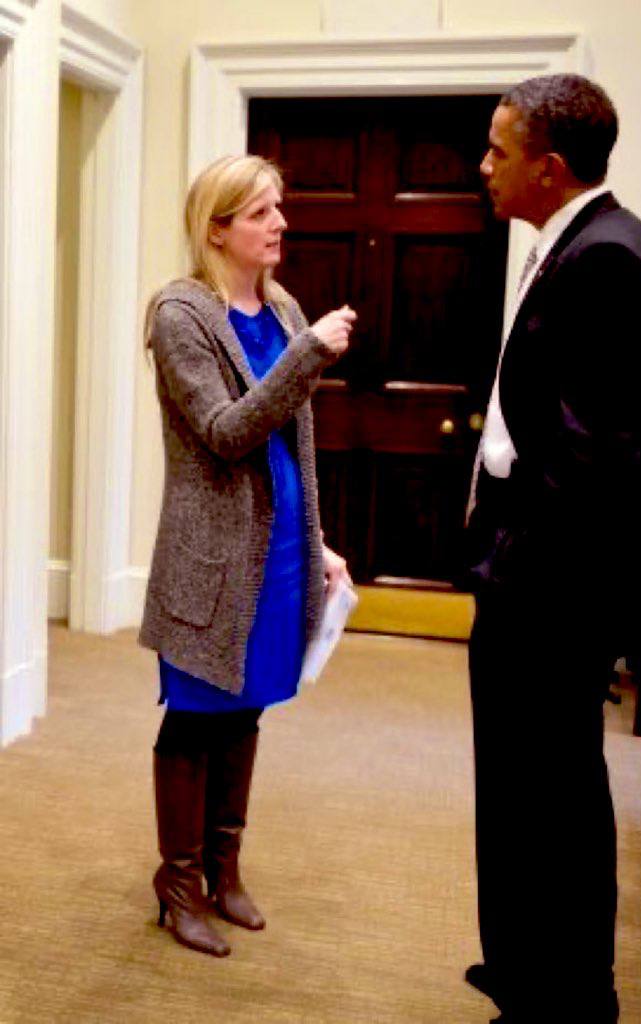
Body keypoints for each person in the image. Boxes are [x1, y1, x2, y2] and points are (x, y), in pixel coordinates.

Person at [463, 75, 641, 1023]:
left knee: (553, 801)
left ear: (549, 168)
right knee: (522, 791)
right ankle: (521, 968)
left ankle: (569, 997)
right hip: (534, 578)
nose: (485, 167)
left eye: (499, 152)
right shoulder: (575, 244)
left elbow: (597, 458)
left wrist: (512, 563)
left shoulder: (609, 260)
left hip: (552, 592)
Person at [139, 154, 356, 957]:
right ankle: (180, 884)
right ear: (217, 228)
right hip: (211, 561)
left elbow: (291, 451)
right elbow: (229, 434)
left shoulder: (286, 307)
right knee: (195, 720)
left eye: (280, 208)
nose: (281, 224)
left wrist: (319, 541)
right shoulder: (181, 315)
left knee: (249, 708)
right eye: (262, 212)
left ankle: (225, 869)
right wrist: (307, 360)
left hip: (285, 552)